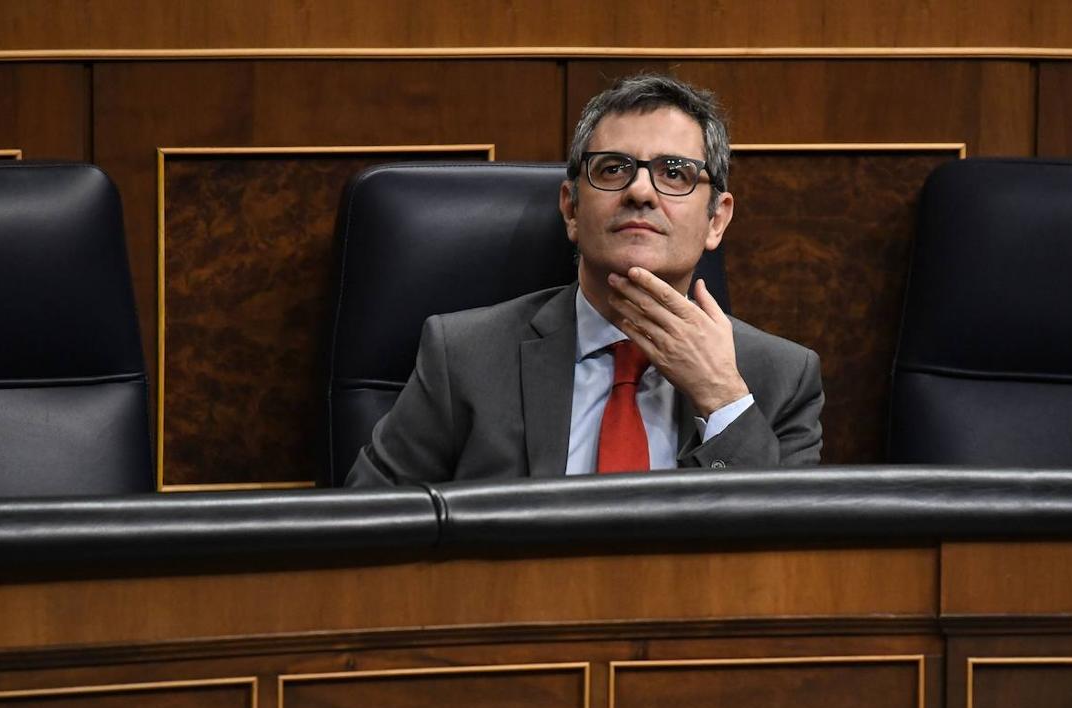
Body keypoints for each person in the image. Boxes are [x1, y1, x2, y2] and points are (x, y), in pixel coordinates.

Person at [346, 74, 823, 487]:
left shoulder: (779, 376)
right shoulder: (465, 356)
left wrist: (721, 396)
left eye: (675, 173)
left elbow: (793, 558)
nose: (639, 191)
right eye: (613, 169)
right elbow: (364, 525)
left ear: (716, 220)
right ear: (571, 209)